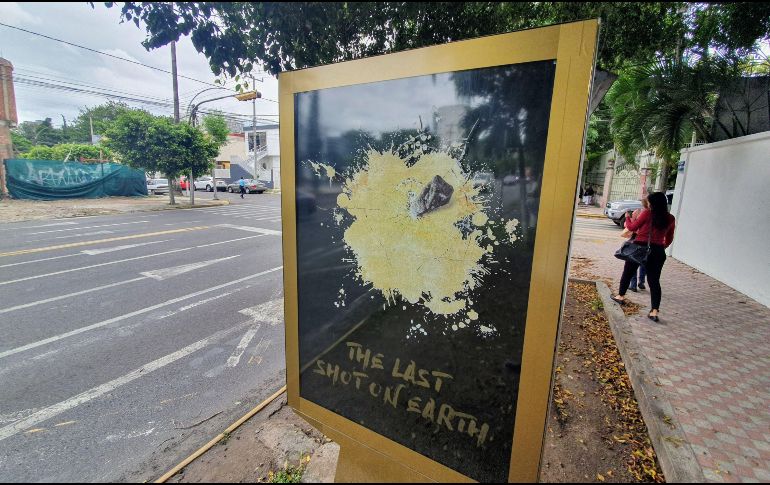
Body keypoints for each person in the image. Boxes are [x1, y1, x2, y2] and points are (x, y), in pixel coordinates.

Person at [611, 192, 675, 322]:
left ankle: (620, 296)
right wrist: (660, 248)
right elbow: (669, 238)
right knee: (654, 281)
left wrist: (628, 218)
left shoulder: (647, 213)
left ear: (653, 203)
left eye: (650, 202)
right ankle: (654, 311)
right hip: (657, 251)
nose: (649, 204)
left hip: (639, 248)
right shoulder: (670, 218)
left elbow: (632, 227)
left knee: (628, 273)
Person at [628, 197, 650, 292]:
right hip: (649, 243)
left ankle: (633, 285)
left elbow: (632, 227)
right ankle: (641, 281)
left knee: (633, 262)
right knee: (643, 262)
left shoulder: (644, 213)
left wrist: (628, 218)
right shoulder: (657, 215)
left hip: (638, 241)